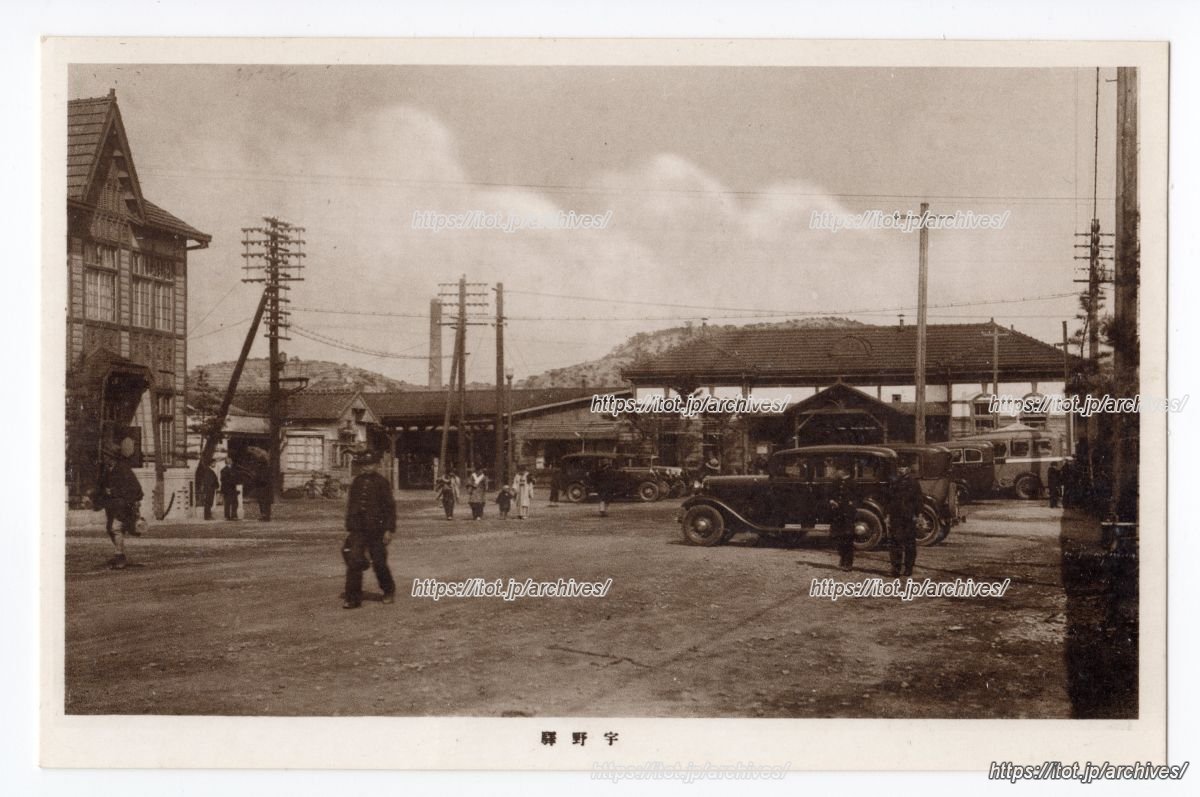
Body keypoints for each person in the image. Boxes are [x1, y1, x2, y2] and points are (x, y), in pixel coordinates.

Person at [341, 449, 396, 609]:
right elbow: (351, 505)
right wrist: (350, 525)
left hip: (377, 530)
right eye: (364, 465)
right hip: (358, 529)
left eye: (370, 464)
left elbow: (390, 508)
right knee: (354, 561)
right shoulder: (357, 482)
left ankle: (388, 590)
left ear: (377, 465)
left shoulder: (382, 483)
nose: (366, 467)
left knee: (379, 562)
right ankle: (353, 598)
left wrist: (388, 529)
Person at [98, 437, 143, 569]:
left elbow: (135, 489)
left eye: (105, 455)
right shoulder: (107, 469)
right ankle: (120, 553)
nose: (104, 457)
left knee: (115, 528)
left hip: (123, 505)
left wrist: (117, 493)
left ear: (111, 457)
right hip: (112, 505)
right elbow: (102, 485)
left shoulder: (123, 469)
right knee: (110, 529)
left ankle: (119, 557)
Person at [889, 465, 924, 578]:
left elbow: (919, 500)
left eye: (903, 467)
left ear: (908, 469)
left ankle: (909, 568)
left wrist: (918, 514)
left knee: (909, 543)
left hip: (909, 517)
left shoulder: (914, 483)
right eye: (899, 467)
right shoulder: (894, 482)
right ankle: (896, 568)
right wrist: (888, 515)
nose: (900, 469)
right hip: (896, 517)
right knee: (895, 542)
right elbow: (890, 499)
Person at [828, 467, 858, 571]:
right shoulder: (836, 482)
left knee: (848, 538)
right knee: (839, 537)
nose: (837, 472)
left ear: (844, 471)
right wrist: (832, 501)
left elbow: (857, 498)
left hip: (848, 515)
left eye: (839, 470)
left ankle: (848, 563)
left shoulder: (853, 483)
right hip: (838, 514)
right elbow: (831, 494)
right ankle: (842, 559)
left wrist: (851, 505)